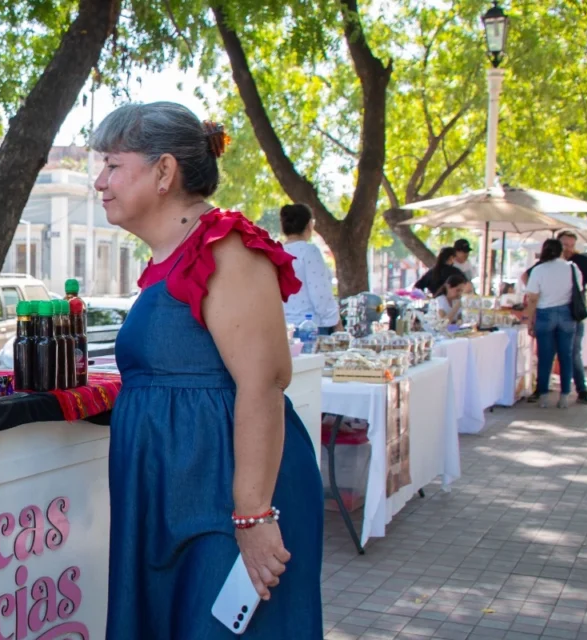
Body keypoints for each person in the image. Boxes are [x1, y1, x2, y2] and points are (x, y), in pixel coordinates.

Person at [90, 102, 321, 638]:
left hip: (222, 503)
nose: (101, 182)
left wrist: (253, 516)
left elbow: (264, 382)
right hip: (179, 498)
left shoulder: (226, 248)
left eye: (113, 165)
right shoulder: (176, 253)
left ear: (164, 171)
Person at [525, 238, 585, 409]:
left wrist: (530, 321)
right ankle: (564, 396)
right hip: (567, 313)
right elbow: (579, 290)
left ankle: (543, 396)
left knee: (545, 357)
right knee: (565, 356)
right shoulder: (572, 268)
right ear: (561, 251)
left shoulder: (539, 270)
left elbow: (532, 298)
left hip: (545, 314)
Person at [280, 203, 342, 334]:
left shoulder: (277, 253)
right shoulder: (309, 252)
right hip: (310, 328)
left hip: (283, 328)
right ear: (309, 225)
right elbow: (320, 294)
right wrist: (336, 321)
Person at [557, 230, 587, 405]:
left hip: (574, 312)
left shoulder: (581, 261)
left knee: (574, 353)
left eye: (571, 245)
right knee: (548, 352)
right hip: (553, 310)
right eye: (565, 245)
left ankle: (581, 389)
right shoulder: (548, 261)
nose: (569, 249)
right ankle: (540, 388)